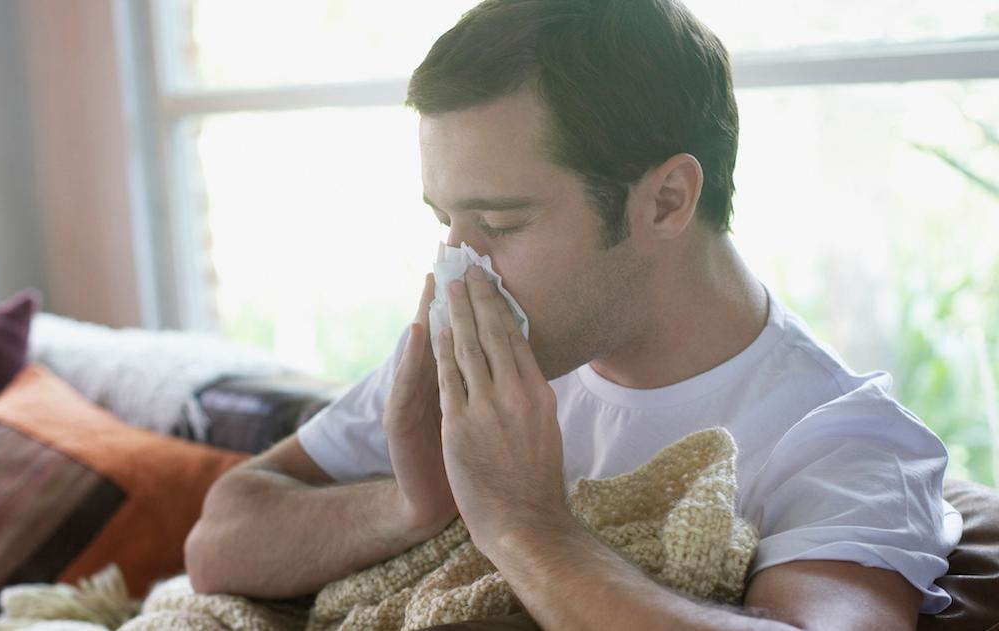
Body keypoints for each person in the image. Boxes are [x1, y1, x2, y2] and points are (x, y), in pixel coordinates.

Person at [185, 0, 962, 628]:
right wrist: (412, 503)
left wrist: (526, 527)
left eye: (503, 222)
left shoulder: (844, 443)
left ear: (665, 201)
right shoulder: (487, 338)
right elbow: (217, 543)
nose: (458, 264)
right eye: (444, 220)